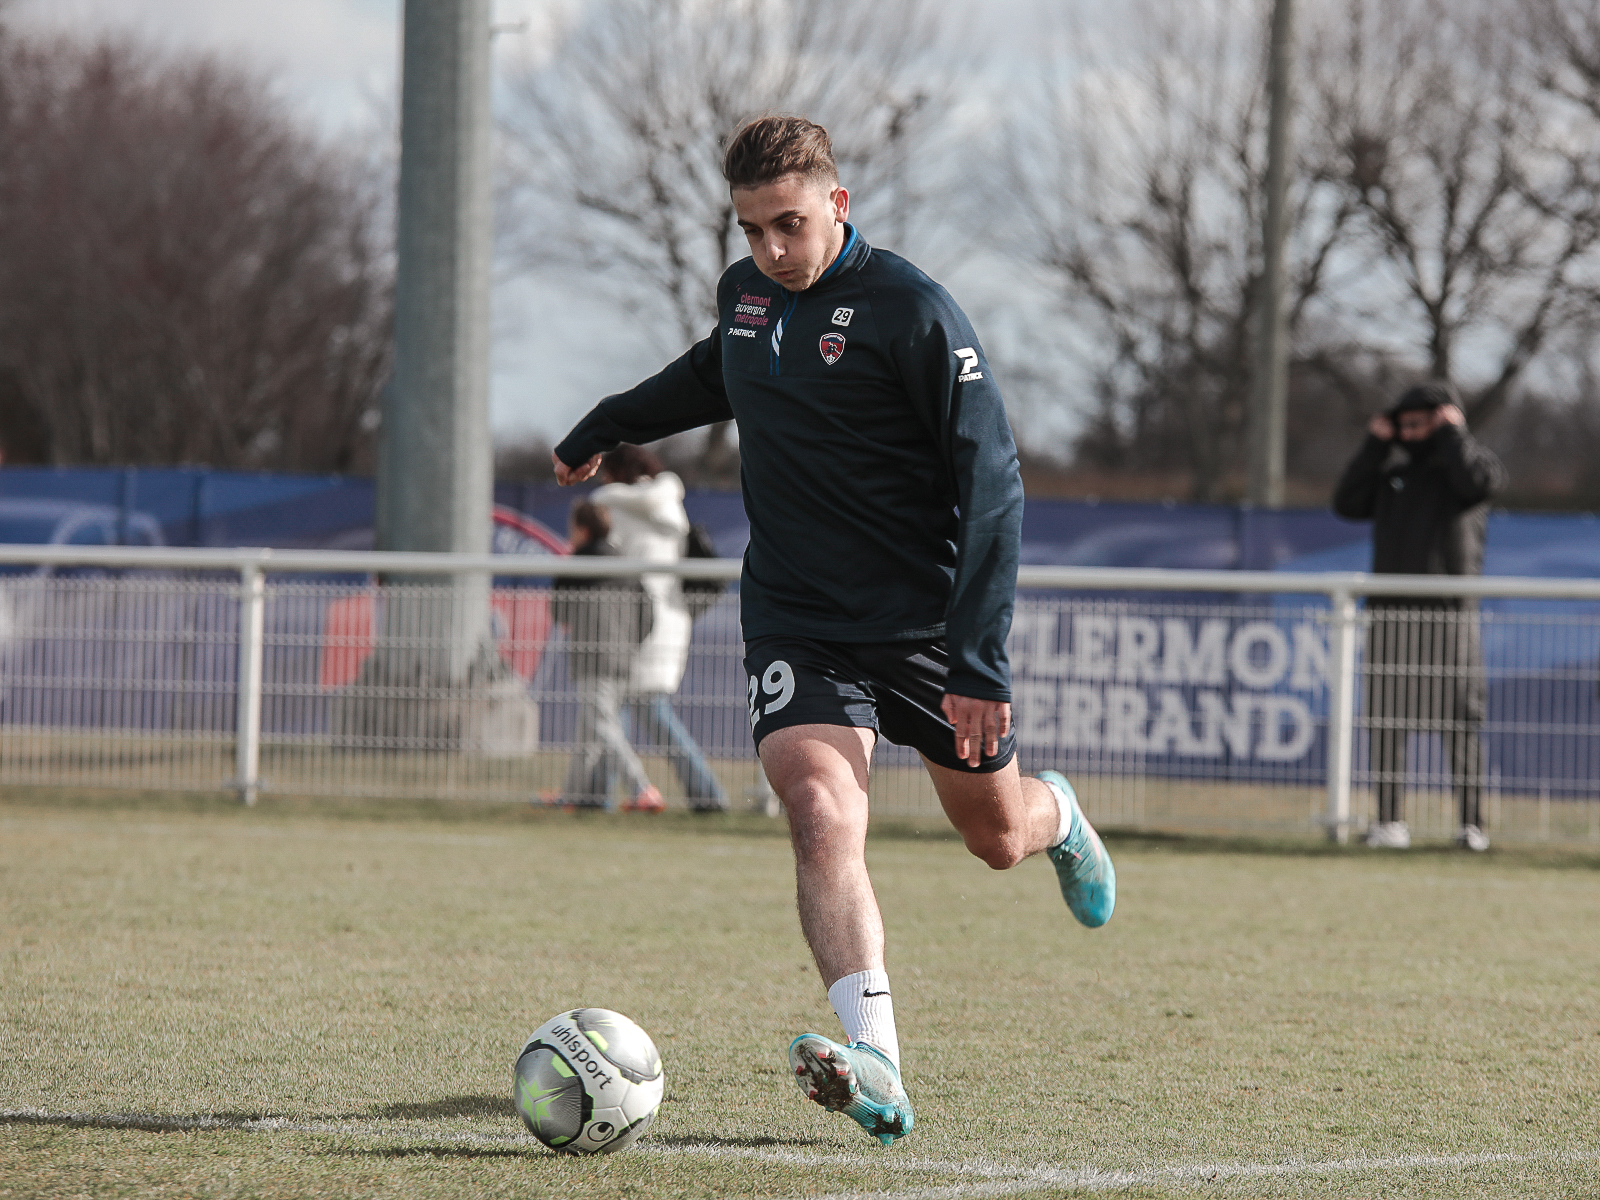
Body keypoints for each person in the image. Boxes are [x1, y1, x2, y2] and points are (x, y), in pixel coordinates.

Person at [552, 115, 1115, 1145]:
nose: (769, 248)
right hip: (797, 618)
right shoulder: (748, 292)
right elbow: (715, 368)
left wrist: (979, 663)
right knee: (817, 810)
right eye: (752, 228)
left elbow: (994, 489)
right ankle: (878, 1064)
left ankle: (1060, 819)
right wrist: (613, 419)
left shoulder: (914, 313)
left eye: (789, 224)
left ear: (838, 205)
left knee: (993, 838)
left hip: (923, 629)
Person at [1332, 381, 1507, 852]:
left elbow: (1479, 483)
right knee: (1387, 719)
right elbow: (1346, 502)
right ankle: (1390, 823)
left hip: (1451, 616)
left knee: (1460, 721)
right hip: (1392, 614)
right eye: (1401, 425)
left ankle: (1472, 827)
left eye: (1420, 422)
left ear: (1445, 418)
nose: (1409, 432)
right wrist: (1375, 444)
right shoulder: (1391, 474)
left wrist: (1454, 435)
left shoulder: (1468, 465)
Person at [593, 443, 730, 812]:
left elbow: (603, 554)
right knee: (621, 709)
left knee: (634, 710)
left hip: (631, 618)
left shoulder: (611, 503)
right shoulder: (671, 501)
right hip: (671, 617)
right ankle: (595, 793)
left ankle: (708, 796)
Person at [548, 499, 663, 812]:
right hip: (624, 659)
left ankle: (642, 788)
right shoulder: (627, 564)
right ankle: (569, 795)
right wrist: (629, 644)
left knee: (602, 727)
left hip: (591, 659)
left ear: (582, 530)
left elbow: (559, 611)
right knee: (590, 731)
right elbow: (649, 615)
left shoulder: (578, 564)